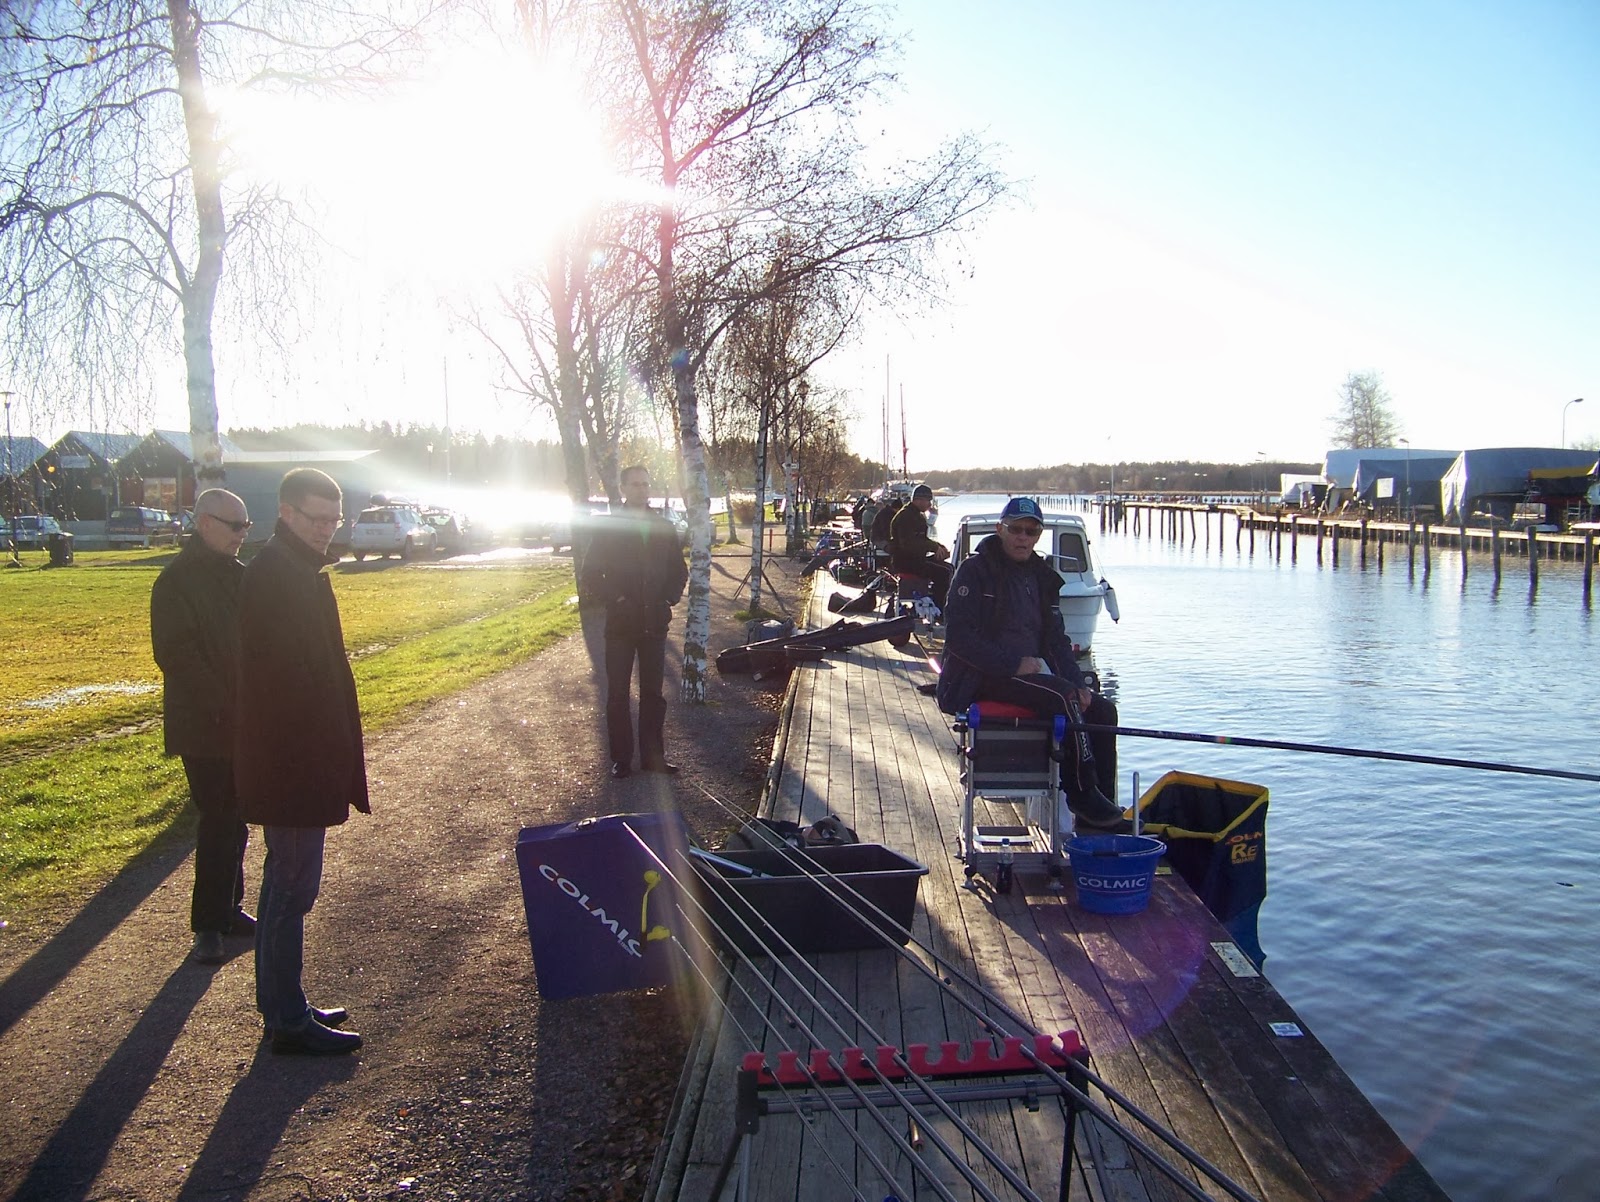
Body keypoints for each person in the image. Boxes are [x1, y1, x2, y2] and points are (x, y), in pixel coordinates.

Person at [236, 468, 368, 1055]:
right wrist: (317, 749)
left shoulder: (296, 569)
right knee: (291, 890)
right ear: (286, 513)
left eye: (334, 520)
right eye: (317, 518)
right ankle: (286, 1020)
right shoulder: (275, 575)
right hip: (290, 763)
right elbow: (280, 682)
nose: (326, 529)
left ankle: (282, 1006)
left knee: (285, 888)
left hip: (300, 758)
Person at [935, 496, 1126, 831]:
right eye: (1016, 529)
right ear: (1000, 529)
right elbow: (959, 638)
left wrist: (1079, 684)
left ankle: (1100, 812)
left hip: (1027, 674)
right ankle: (1081, 793)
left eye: (1031, 531)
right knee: (1063, 697)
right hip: (980, 675)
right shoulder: (974, 571)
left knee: (1102, 710)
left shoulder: (1042, 576)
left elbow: (1056, 642)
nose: (1023, 537)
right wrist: (1012, 663)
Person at [150, 488, 253, 966]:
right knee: (218, 818)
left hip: (241, 718)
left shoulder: (237, 574)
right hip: (203, 724)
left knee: (237, 816)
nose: (242, 534)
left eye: (246, 526)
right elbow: (176, 654)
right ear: (205, 523)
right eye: (235, 526)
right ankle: (208, 926)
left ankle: (229, 907)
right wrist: (224, 702)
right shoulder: (175, 581)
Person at [580, 465, 689, 780]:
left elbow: (678, 570)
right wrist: (617, 599)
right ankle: (621, 759)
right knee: (618, 694)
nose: (642, 489)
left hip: (654, 623)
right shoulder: (610, 527)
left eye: (645, 484)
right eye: (636, 484)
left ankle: (653, 757)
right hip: (620, 626)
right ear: (623, 488)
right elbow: (591, 574)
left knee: (653, 694)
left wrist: (669, 598)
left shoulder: (663, 527)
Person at [889, 484, 952, 610]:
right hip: (905, 562)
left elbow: (922, 540)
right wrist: (934, 547)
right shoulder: (905, 517)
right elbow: (908, 544)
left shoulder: (917, 515)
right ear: (919, 500)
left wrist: (939, 548)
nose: (930, 504)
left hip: (915, 559)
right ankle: (939, 608)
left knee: (949, 567)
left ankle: (941, 603)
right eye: (928, 501)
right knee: (944, 573)